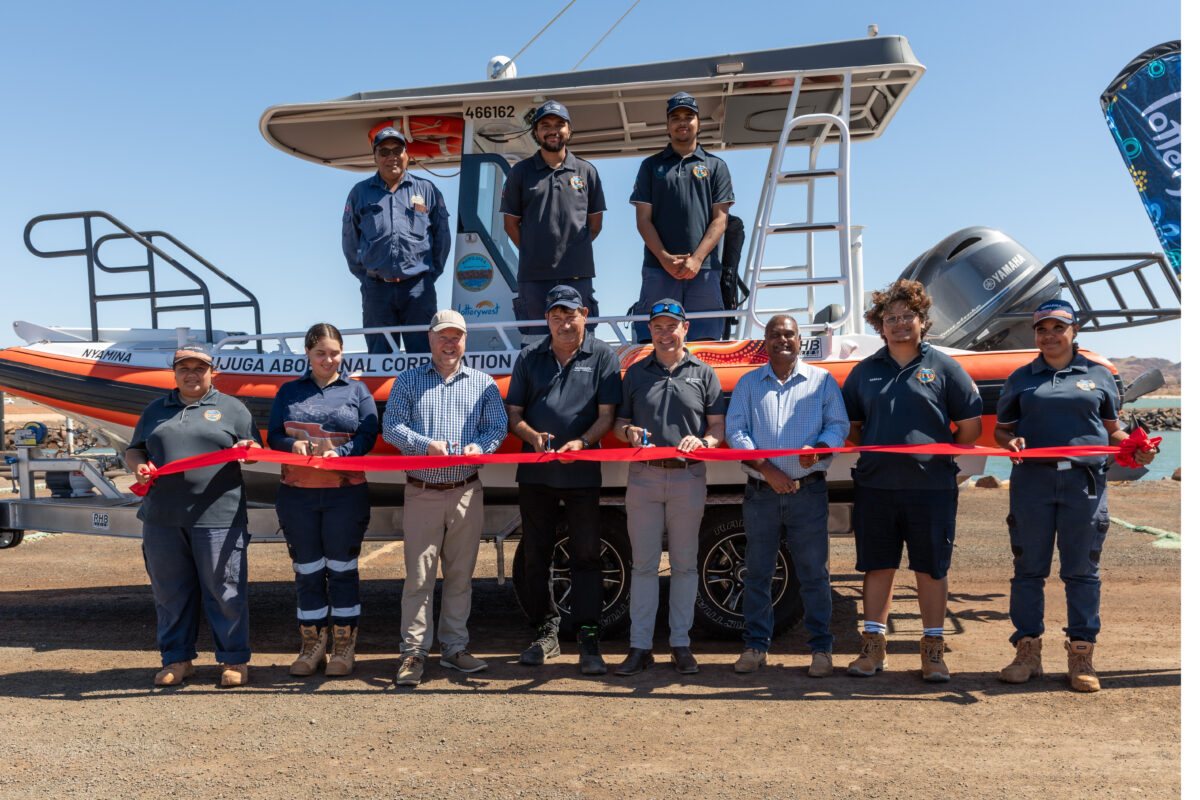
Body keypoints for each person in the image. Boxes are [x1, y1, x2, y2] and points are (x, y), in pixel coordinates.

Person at [994, 299, 1157, 692]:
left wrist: (1137, 447)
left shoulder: (1098, 375)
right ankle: (1027, 652)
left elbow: (1112, 430)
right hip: (1032, 482)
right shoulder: (1021, 378)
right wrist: (1009, 440)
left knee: (1082, 571)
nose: (1049, 335)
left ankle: (1081, 654)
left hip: (1084, 484)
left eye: (1058, 328)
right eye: (1042, 329)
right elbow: (1002, 431)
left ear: (1074, 331)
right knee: (1028, 569)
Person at [840, 279, 982, 682]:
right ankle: (873, 649)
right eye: (891, 318)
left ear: (923, 321)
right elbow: (853, 428)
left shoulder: (945, 368)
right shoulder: (864, 373)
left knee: (931, 568)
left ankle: (933, 652)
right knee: (877, 566)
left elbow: (969, 430)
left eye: (908, 317)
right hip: (876, 486)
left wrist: (931, 456)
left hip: (931, 489)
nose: (900, 324)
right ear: (879, 326)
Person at [382, 309, 508, 686]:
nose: (450, 343)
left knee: (460, 577)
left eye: (456, 337)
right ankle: (414, 654)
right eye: (443, 336)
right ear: (430, 339)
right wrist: (424, 446)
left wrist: (480, 447)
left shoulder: (483, 383)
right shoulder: (407, 381)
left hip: (467, 491)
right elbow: (391, 427)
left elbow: (497, 426)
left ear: (464, 340)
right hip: (422, 491)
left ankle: (454, 649)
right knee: (418, 579)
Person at [124, 344, 262, 687]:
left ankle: (234, 661)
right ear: (174, 373)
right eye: (184, 368)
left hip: (218, 517)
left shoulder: (232, 408)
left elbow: (254, 450)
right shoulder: (156, 410)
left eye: (198, 368)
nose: (191, 374)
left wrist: (251, 452)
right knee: (170, 593)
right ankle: (177, 660)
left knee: (225, 591)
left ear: (211, 371)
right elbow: (135, 449)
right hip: (162, 518)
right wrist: (137, 465)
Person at [505, 285, 621, 674]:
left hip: (582, 473)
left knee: (587, 555)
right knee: (536, 555)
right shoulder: (529, 357)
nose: (563, 322)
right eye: (555, 316)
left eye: (570, 315)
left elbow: (607, 414)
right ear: (547, 320)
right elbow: (514, 414)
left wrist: (584, 442)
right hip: (536, 473)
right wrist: (532, 437)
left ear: (584, 314)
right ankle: (545, 631)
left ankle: (589, 637)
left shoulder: (603, 355)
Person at [725, 315, 850, 676]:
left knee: (814, 573)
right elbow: (736, 433)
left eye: (789, 334)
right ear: (765, 340)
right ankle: (755, 647)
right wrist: (768, 469)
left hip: (807, 492)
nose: (783, 339)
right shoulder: (748, 384)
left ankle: (821, 650)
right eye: (775, 334)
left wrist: (822, 448)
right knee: (758, 574)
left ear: (799, 340)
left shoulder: (822, 381)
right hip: (762, 493)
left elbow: (838, 426)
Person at [612, 299, 726, 676]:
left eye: (671, 326)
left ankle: (681, 644)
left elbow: (718, 429)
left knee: (685, 565)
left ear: (685, 329)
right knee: (642, 566)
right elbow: (618, 424)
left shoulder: (704, 373)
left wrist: (706, 443)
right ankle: (640, 646)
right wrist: (628, 432)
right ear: (651, 330)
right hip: (644, 476)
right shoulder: (635, 373)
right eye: (658, 327)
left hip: (688, 477)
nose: (664, 333)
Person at [268, 323, 379, 678]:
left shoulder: (358, 391)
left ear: (342, 353)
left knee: (343, 571)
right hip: (297, 495)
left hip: (345, 495)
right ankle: (312, 645)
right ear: (308, 354)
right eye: (321, 353)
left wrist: (344, 452)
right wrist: (291, 445)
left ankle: (345, 646)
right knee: (307, 572)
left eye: (334, 353)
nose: (328, 359)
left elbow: (369, 435)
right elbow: (272, 436)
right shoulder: (288, 392)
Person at [630, 92, 734, 343]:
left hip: (705, 271)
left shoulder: (715, 166)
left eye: (689, 116)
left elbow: (720, 220)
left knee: (706, 344)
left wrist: (697, 260)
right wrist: (665, 258)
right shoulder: (650, 166)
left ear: (699, 122)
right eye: (675, 117)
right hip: (658, 269)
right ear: (667, 125)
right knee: (655, 343)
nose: (682, 122)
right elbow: (643, 220)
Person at [342, 126, 451, 354]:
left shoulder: (428, 190)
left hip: (418, 290)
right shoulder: (359, 193)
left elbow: (442, 238)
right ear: (375, 157)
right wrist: (367, 277)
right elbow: (350, 240)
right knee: (379, 358)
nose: (391, 156)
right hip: (376, 291)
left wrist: (429, 275)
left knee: (422, 358)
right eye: (384, 151)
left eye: (397, 150)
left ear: (407, 155)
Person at [501, 100, 606, 332]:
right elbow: (510, 225)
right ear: (536, 132)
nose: (553, 130)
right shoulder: (520, 173)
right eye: (545, 125)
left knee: (579, 342)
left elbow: (595, 225)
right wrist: (535, 251)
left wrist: (572, 253)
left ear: (569, 130)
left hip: (578, 276)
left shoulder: (587, 171)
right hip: (534, 278)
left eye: (559, 124)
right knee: (536, 345)